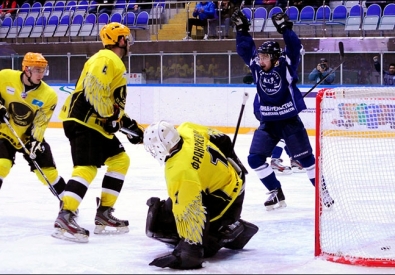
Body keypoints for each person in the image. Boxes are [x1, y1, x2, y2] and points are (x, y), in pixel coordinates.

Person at [232, 10, 334, 210]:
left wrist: (285, 28)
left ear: (274, 57)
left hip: (289, 122)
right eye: (259, 56)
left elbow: (294, 46)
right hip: (268, 124)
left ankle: (322, 192)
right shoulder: (256, 66)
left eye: (264, 57)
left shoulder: (286, 64)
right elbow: (245, 49)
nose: (260, 60)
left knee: (306, 160)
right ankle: (276, 192)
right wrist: (242, 30)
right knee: (254, 159)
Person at [52, 22, 145, 243]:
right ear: (121, 40)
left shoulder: (111, 61)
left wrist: (127, 124)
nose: (129, 43)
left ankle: (104, 212)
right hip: (85, 122)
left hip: (95, 124)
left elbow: (109, 102)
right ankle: (65, 215)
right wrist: (112, 119)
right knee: (86, 168)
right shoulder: (106, 58)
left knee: (120, 160)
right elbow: (95, 90)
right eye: (127, 38)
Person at [143, 121, 258, 270]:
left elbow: (190, 213)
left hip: (226, 202)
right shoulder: (187, 129)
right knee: (166, 216)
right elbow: (223, 139)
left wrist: (188, 252)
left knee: (160, 226)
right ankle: (226, 225)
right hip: (235, 180)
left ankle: (230, 228)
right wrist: (234, 161)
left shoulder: (180, 171)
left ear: (160, 147)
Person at [0, 52, 66, 203]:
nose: (41, 74)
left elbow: (41, 122)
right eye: (37, 70)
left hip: (29, 136)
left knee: (48, 173)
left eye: (43, 70)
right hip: (4, 132)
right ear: (26, 69)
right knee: (1, 165)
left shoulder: (49, 95)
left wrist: (36, 141)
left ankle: (69, 205)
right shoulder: (4, 77)